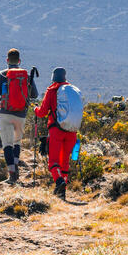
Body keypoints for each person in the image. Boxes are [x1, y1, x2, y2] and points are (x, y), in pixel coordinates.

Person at [0, 48, 38, 183]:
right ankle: (15, 166)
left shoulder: (1, 75)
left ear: (7, 60)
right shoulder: (26, 76)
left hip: (5, 113)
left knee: (7, 144)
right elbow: (35, 95)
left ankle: (12, 174)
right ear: (19, 61)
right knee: (16, 143)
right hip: (21, 114)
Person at [35, 68, 81, 199]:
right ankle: (62, 190)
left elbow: (42, 112)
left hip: (56, 130)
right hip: (72, 131)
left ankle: (59, 181)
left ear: (53, 78)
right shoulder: (72, 91)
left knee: (53, 161)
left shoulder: (52, 91)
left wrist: (35, 109)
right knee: (64, 160)